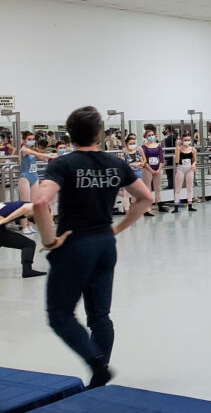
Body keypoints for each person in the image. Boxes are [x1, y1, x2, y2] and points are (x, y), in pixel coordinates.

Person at [32, 106, 153, 389]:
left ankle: (97, 364)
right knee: (99, 315)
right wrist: (117, 229)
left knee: (60, 315)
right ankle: (99, 377)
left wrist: (49, 240)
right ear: (99, 132)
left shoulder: (63, 164)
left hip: (75, 245)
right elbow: (146, 198)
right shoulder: (116, 163)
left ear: (69, 132)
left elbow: (39, 203)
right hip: (104, 244)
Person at [17, 131, 55, 234]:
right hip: (25, 178)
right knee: (25, 204)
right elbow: (35, 153)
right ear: (24, 140)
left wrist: (51, 157)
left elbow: (42, 158)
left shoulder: (32, 150)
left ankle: (30, 225)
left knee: (33, 204)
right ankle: (24, 226)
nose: (31, 141)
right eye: (29, 139)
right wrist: (46, 155)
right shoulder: (24, 150)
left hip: (35, 177)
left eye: (33, 139)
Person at [0, 201, 47, 278]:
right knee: (29, 244)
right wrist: (4, 221)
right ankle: (27, 271)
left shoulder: (17, 205)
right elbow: (25, 208)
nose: (28, 219)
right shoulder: (33, 207)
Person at [141, 128, 167, 214]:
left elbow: (161, 158)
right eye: (149, 135)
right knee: (148, 187)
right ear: (145, 137)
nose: (151, 136)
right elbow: (144, 160)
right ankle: (147, 207)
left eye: (152, 135)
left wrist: (159, 169)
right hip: (147, 169)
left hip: (158, 168)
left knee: (157, 187)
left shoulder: (158, 146)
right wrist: (151, 170)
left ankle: (159, 204)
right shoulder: (143, 147)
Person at [172, 133, 198, 214]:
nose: (187, 141)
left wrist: (194, 164)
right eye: (185, 140)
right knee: (178, 188)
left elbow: (195, 160)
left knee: (190, 187)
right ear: (182, 141)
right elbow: (176, 161)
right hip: (181, 168)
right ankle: (176, 205)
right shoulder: (178, 148)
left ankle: (190, 205)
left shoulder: (192, 149)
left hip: (189, 168)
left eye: (188, 140)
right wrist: (178, 150)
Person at [161, 126, 177, 190]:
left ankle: (171, 186)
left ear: (167, 130)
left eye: (164, 129)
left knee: (170, 173)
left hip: (170, 158)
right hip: (172, 157)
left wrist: (165, 159)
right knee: (171, 173)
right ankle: (171, 185)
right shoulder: (173, 137)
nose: (164, 130)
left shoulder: (168, 138)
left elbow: (168, 150)